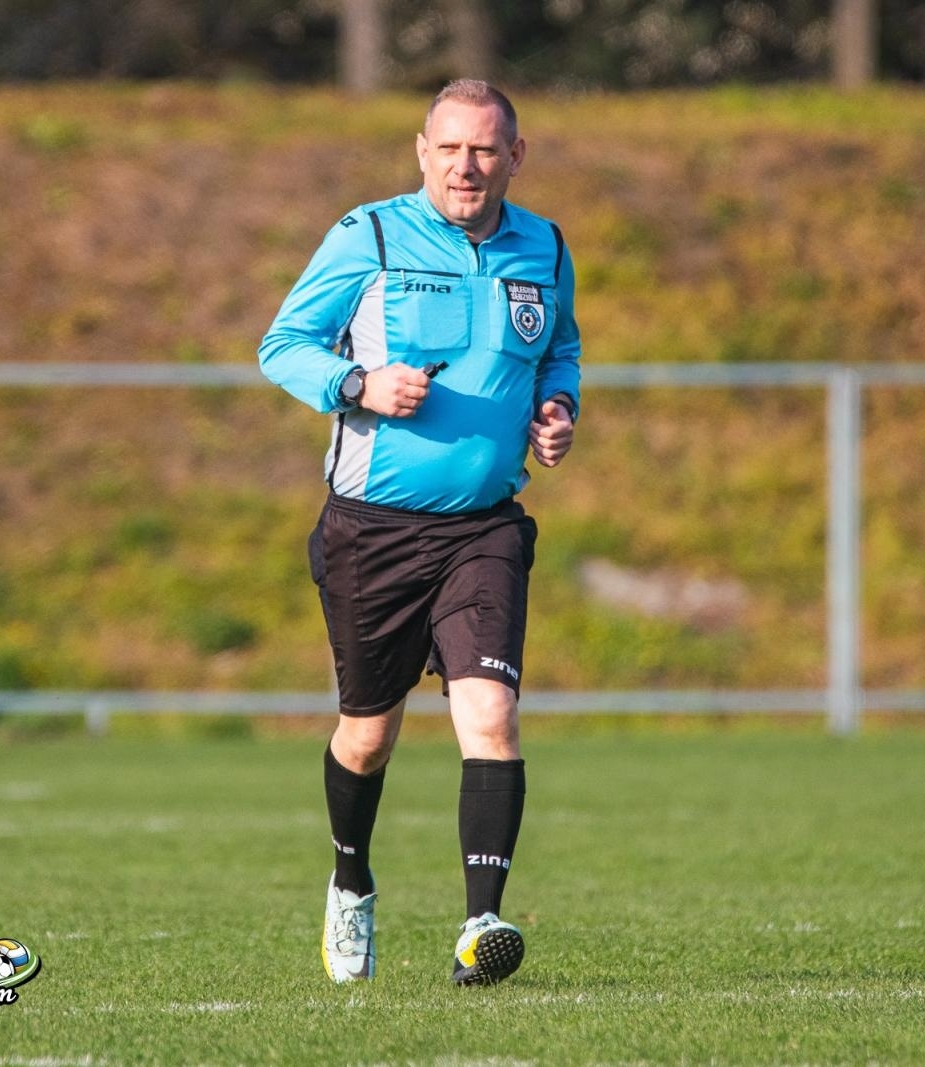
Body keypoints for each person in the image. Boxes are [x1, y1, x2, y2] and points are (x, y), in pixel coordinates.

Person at [258, 79, 581, 984]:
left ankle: (483, 927)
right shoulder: (368, 235)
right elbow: (283, 344)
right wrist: (358, 386)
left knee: (493, 715)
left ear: (515, 155)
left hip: (484, 530)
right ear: (421, 150)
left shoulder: (544, 245)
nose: (465, 165)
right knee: (368, 734)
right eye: (449, 148)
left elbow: (559, 347)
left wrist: (559, 409)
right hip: (374, 531)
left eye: (484, 149)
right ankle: (351, 881)